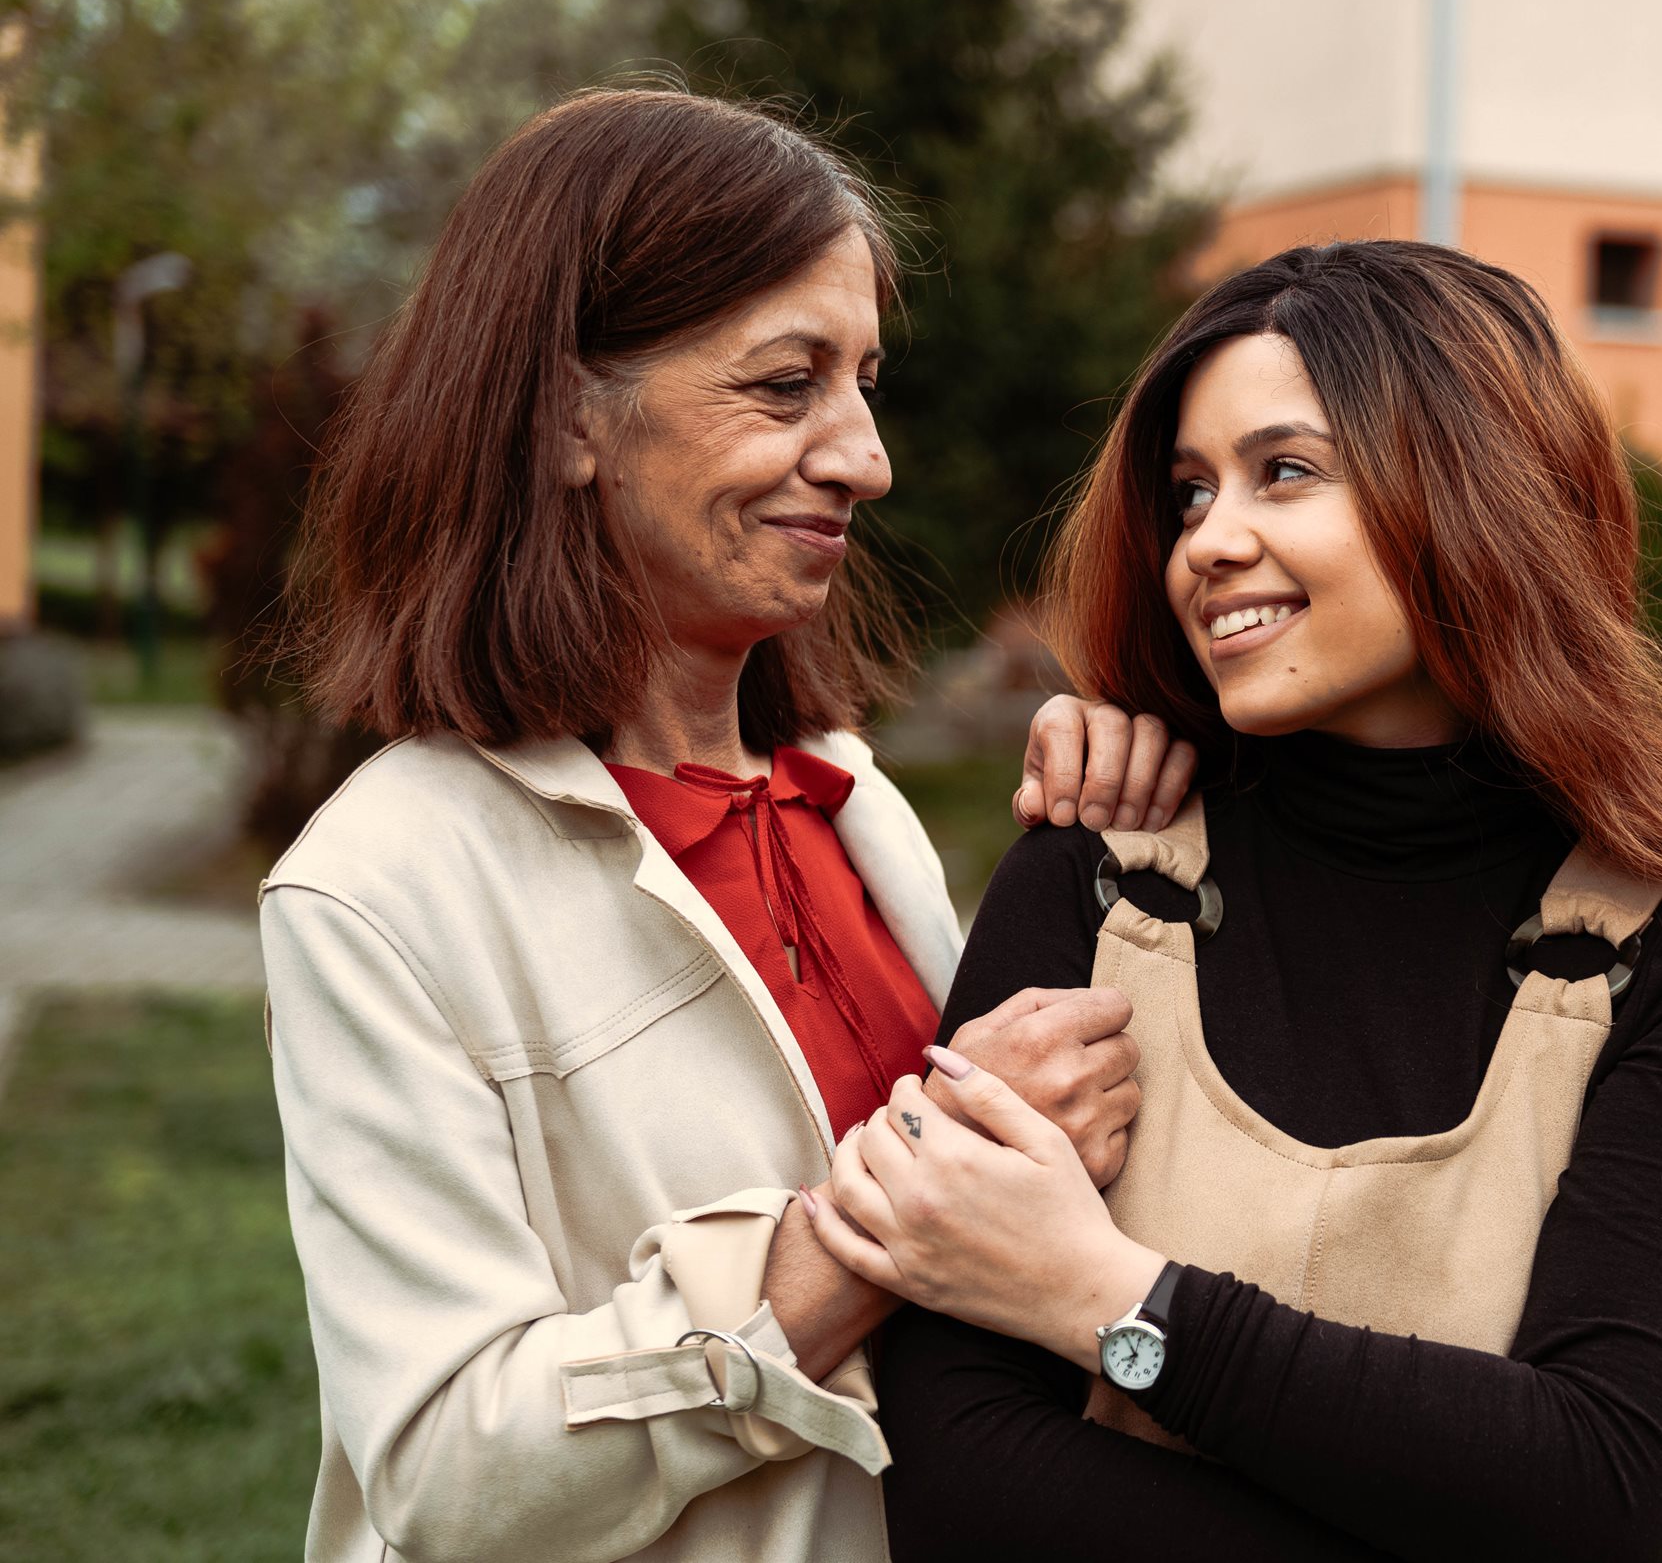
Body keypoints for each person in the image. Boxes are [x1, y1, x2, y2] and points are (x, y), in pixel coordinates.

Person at [801, 240, 1662, 1562]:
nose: (1211, 541)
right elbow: (962, 1492)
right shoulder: (1093, 871)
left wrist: (1107, 1302)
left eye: (1286, 471)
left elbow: (1596, 1483)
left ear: (1472, 486)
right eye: (1190, 494)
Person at [260, 88, 1190, 1563]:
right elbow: (449, 1479)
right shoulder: (381, 889)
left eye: (866, 381)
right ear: (567, 418)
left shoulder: (850, 803)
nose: (865, 457)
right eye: (783, 386)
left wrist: (1136, 818)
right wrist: (897, 1202)